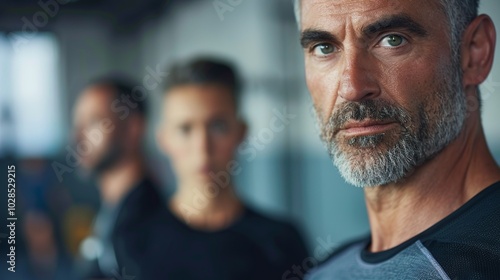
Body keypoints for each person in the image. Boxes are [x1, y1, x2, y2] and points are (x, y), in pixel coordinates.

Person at [293, 0, 500, 279]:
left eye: (392, 40)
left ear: (474, 52)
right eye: (324, 48)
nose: (352, 87)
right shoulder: (324, 271)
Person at [119, 58, 309, 280]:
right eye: (185, 129)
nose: (203, 148)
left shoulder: (281, 242)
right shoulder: (134, 241)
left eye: (217, 126)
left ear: (241, 132)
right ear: (164, 139)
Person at [72, 76, 164, 279]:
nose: (78, 138)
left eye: (94, 122)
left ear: (133, 129)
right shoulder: (114, 211)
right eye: (78, 124)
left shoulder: (145, 224)